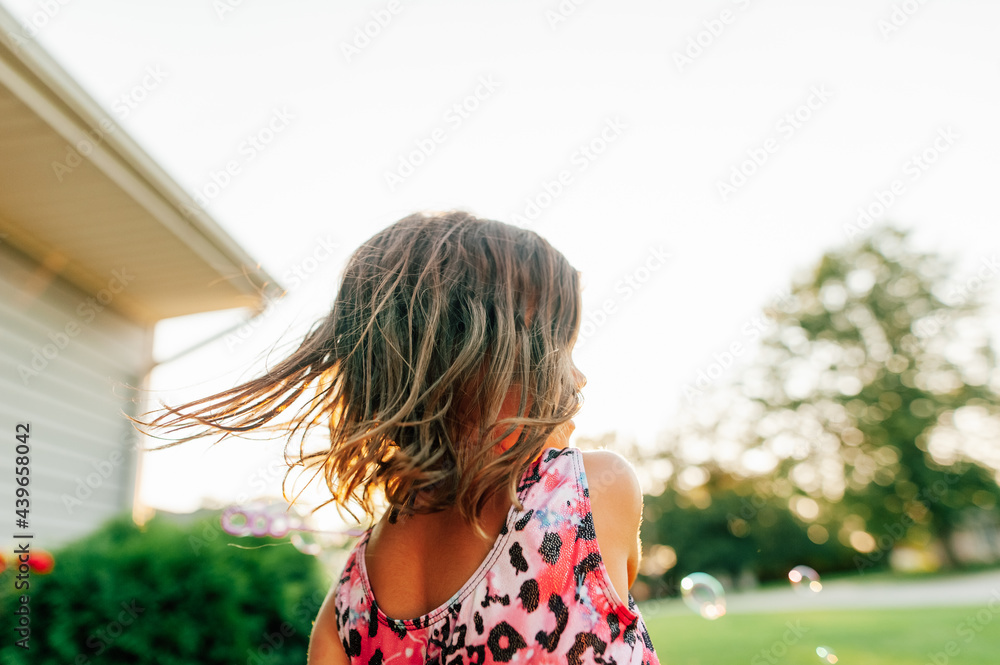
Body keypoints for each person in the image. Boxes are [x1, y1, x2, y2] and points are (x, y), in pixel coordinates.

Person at [138, 210, 660, 664]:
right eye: (559, 349)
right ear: (482, 359)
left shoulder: (347, 606)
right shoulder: (588, 492)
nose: (578, 378)